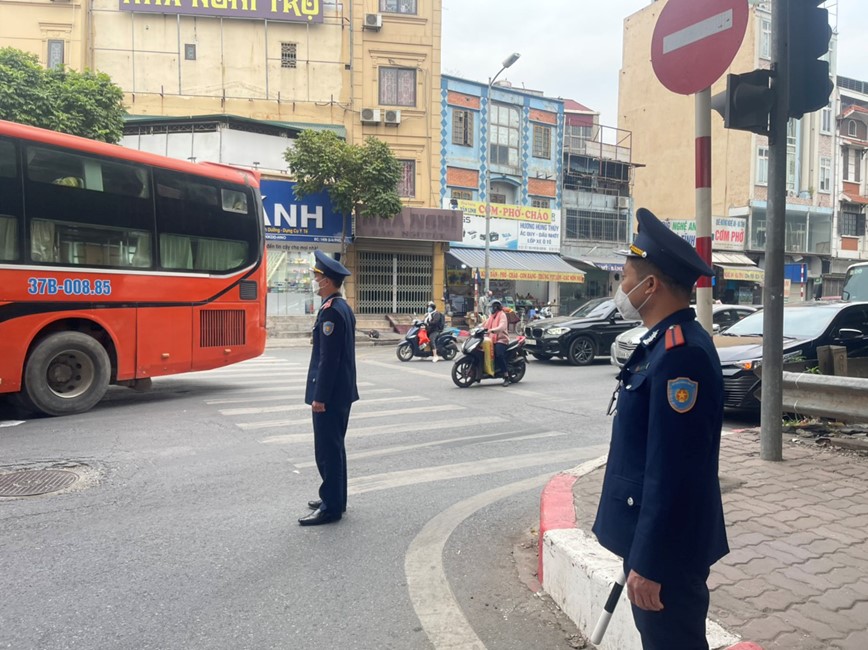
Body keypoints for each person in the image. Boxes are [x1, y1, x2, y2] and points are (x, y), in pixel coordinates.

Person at [592, 208, 729, 649]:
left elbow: (674, 471)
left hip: (667, 555)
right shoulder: (663, 343)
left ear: (650, 286)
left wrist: (650, 561)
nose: (621, 288)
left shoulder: (680, 355)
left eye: (626, 277)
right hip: (656, 542)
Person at [299, 250, 359, 526]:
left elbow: (329, 360)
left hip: (331, 394)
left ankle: (331, 506)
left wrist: (320, 397)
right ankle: (334, 497)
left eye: (317, 277)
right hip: (341, 391)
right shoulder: (339, 307)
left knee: (327, 449)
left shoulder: (332, 312)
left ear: (327, 281)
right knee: (334, 448)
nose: (314, 281)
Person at [482, 298, 511, 385]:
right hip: (491, 339)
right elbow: (485, 324)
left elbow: (502, 326)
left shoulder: (502, 315)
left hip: (501, 340)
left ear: (496, 307)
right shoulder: (492, 316)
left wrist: (493, 330)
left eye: (492, 307)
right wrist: (476, 329)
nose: (491, 309)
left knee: (499, 354)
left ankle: (506, 376)